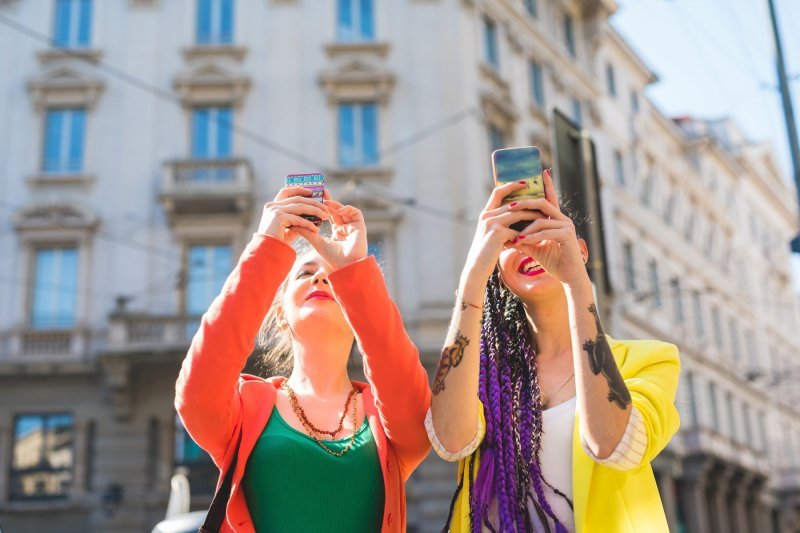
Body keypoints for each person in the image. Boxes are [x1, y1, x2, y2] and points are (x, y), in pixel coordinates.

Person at [427, 170, 681, 532]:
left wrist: (576, 282)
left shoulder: (652, 359)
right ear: (497, 270)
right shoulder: (478, 372)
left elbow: (613, 446)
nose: (530, 244)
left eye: (543, 228)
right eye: (512, 238)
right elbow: (450, 441)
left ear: (579, 250)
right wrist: (471, 278)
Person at [175, 186, 431, 532]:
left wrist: (354, 270)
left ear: (356, 308)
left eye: (334, 275)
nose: (321, 276)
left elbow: (414, 414)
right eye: (304, 272)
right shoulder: (246, 407)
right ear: (281, 313)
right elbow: (196, 394)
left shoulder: (385, 417)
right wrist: (267, 246)